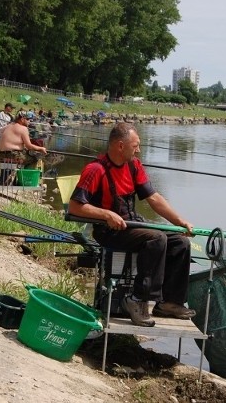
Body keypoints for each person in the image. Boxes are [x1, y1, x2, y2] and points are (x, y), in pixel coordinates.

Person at [68, 123, 196, 327]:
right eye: (136, 145)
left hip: (132, 224)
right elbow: (75, 207)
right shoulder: (95, 169)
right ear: (121, 146)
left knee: (180, 242)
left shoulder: (134, 165)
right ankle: (137, 299)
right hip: (108, 231)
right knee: (156, 238)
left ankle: (169, 302)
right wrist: (106, 214)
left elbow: (153, 198)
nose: (138, 149)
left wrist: (181, 222)